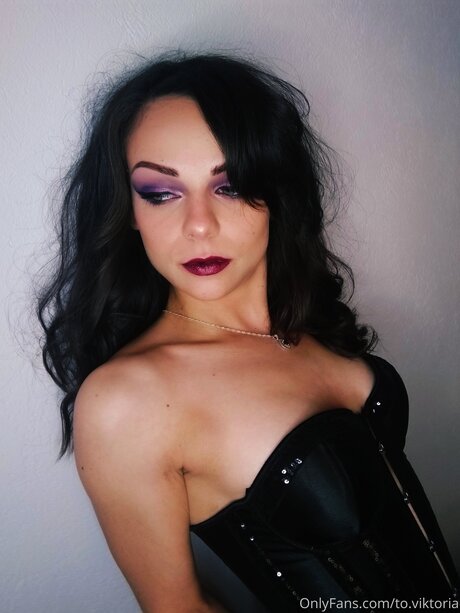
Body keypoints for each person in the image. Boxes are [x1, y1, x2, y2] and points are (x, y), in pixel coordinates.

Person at [37, 51, 459, 612]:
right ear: (129, 210)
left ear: (275, 190)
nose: (199, 225)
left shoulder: (305, 319)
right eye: (160, 193)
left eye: (230, 185)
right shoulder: (127, 402)